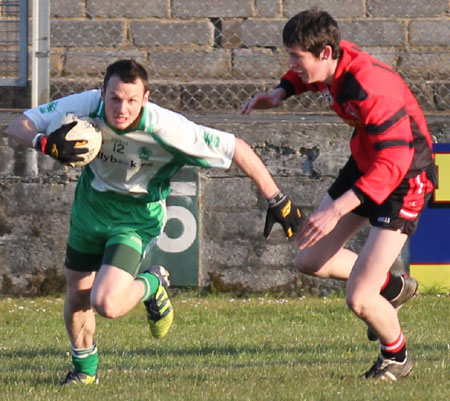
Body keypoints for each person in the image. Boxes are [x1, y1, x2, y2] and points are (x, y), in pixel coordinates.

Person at [7, 59, 302, 385]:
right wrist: (43, 142)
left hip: (136, 218)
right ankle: (84, 373)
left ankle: (153, 283)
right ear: (103, 92)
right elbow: (18, 125)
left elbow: (237, 148)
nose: (122, 108)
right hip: (90, 209)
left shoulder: (167, 128)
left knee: (106, 302)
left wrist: (277, 199)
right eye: (115, 98)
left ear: (146, 98)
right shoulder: (87, 105)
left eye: (132, 100)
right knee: (77, 296)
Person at [242, 9, 436, 381]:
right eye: (290, 56)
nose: (291, 64)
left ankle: (397, 357)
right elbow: (310, 79)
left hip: (405, 178)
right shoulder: (335, 64)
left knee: (360, 298)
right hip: (368, 165)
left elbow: (395, 161)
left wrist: (337, 210)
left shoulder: (370, 88)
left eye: (296, 58)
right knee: (308, 258)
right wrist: (280, 92)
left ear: (326, 53)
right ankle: (392, 287)